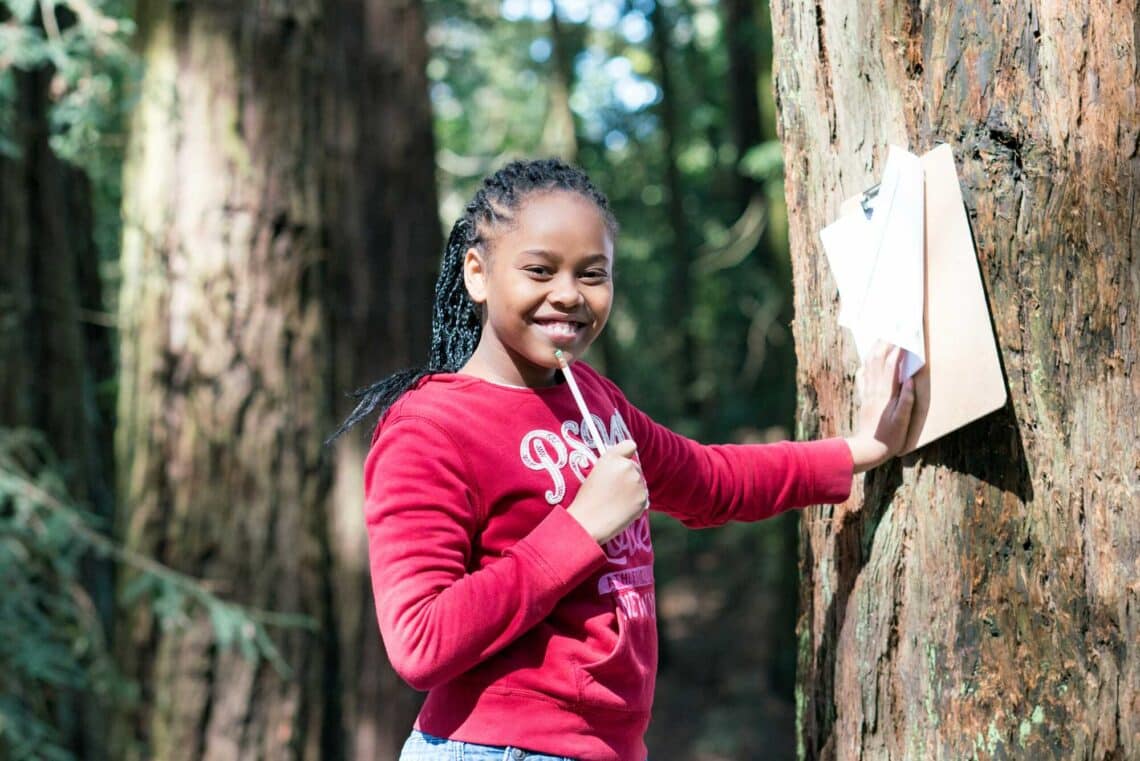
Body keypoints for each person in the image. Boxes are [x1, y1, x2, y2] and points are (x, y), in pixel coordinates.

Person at [336, 158, 914, 761]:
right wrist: (580, 527)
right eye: (539, 270)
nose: (568, 294)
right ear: (478, 274)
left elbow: (710, 481)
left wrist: (858, 450)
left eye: (593, 274)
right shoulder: (430, 428)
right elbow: (420, 641)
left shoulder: (596, 401)